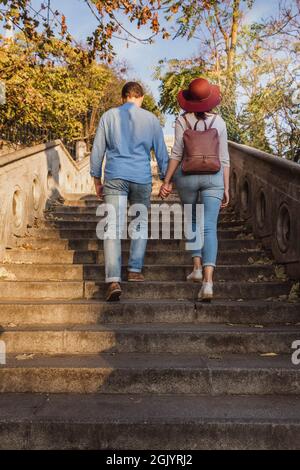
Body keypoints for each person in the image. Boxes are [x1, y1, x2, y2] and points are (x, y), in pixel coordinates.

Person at [90, 81, 169, 301]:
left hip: (115, 176)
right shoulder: (152, 120)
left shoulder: (108, 116)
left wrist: (97, 179)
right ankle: (134, 270)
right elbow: (161, 152)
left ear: (124, 97)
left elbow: (98, 150)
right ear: (140, 97)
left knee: (112, 227)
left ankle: (113, 279)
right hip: (141, 178)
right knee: (140, 223)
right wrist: (166, 179)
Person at [159, 78, 230, 301]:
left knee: (191, 220)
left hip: (187, 177)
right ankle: (208, 283)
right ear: (210, 101)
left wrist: (167, 180)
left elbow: (177, 153)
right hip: (214, 177)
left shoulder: (182, 120)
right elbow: (225, 158)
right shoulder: (220, 122)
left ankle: (197, 267)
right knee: (209, 227)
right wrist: (226, 188)